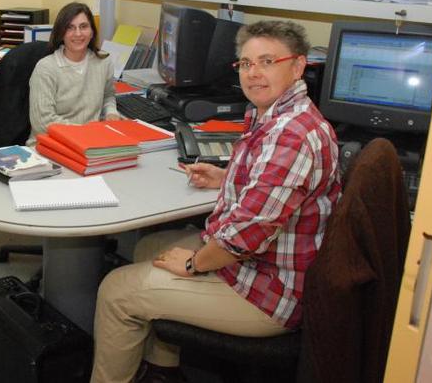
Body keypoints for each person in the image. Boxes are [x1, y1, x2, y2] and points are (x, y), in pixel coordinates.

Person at [91, 20, 342, 383]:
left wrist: (194, 264)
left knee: (116, 291)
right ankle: (163, 371)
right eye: (245, 63)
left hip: (270, 291)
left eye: (267, 61)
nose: (253, 74)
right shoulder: (272, 114)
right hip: (256, 263)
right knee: (150, 246)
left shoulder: (292, 134)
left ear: (299, 66)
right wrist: (226, 178)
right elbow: (276, 193)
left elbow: (247, 234)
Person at [28, 2, 119, 144]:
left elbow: (108, 95)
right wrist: (86, 132)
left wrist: (111, 112)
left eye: (83, 26)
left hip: (89, 143)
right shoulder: (46, 68)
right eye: (70, 28)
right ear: (61, 33)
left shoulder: (103, 61)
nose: (78, 33)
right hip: (52, 145)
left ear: (92, 31)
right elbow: (43, 123)